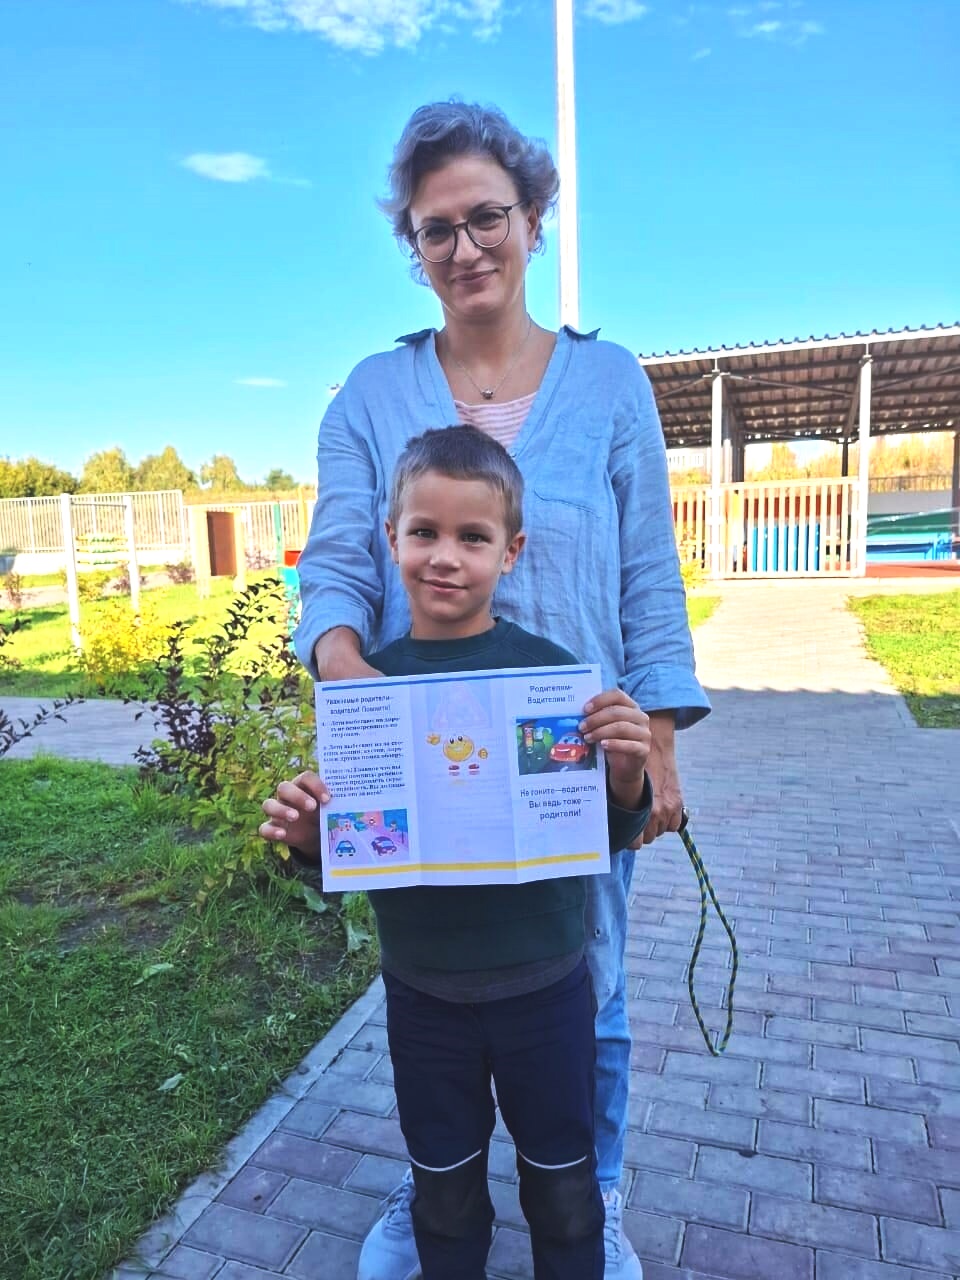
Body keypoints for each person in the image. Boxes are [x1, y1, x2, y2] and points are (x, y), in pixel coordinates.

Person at [293, 100, 710, 1280]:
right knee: (436, 983)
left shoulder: (609, 382)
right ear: (413, 246)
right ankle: (436, 1180)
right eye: (437, 229)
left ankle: (596, 1188)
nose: (466, 246)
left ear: (534, 218)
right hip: (422, 752)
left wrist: (656, 738)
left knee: (591, 980)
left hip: (574, 754)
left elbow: (647, 573)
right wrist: (356, 685)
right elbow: (333, 563)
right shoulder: (369, 397)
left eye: (487, 217)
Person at [263, 426, 654, 1280]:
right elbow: (358, 852)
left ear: (511, 552)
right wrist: (311, 839)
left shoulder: (553, 680)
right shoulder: (367, 693)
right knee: (442, 1194)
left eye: (473, 537)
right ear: (391, 538)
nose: (445, 557)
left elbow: (604, 833)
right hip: (424, 997)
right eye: (424, 532)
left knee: (566, 1191)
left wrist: (627, 774)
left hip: (547, 993)